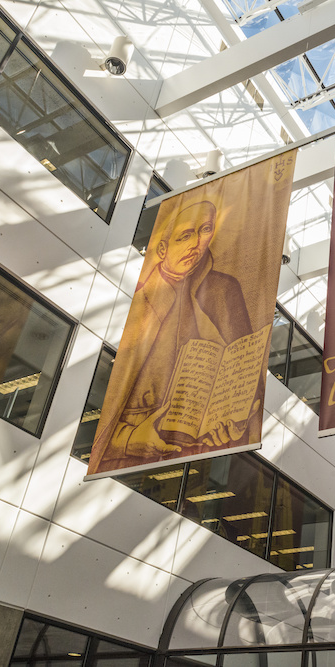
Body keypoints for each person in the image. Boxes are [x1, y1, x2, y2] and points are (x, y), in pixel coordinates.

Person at [88, 200, 255, 474]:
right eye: (185, 235)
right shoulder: (140, 301)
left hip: (192, 457)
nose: (197, 243)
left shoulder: (223, 291)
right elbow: (109, 409)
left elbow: (243, 379)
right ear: (162, 248)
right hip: (126, 460)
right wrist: (127, 441)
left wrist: (230, 420)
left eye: (206, 230)